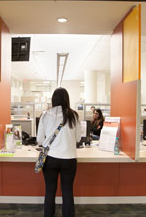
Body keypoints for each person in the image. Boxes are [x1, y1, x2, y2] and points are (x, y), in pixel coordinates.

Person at [37, 88, 81, 217]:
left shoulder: (45, 115)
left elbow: (40, 139)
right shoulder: (74, 115)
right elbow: (78, 138)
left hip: (50, 158)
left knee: (50, 191)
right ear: (67, 99)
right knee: (67, 191)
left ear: (53, 99)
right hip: (69, 159)